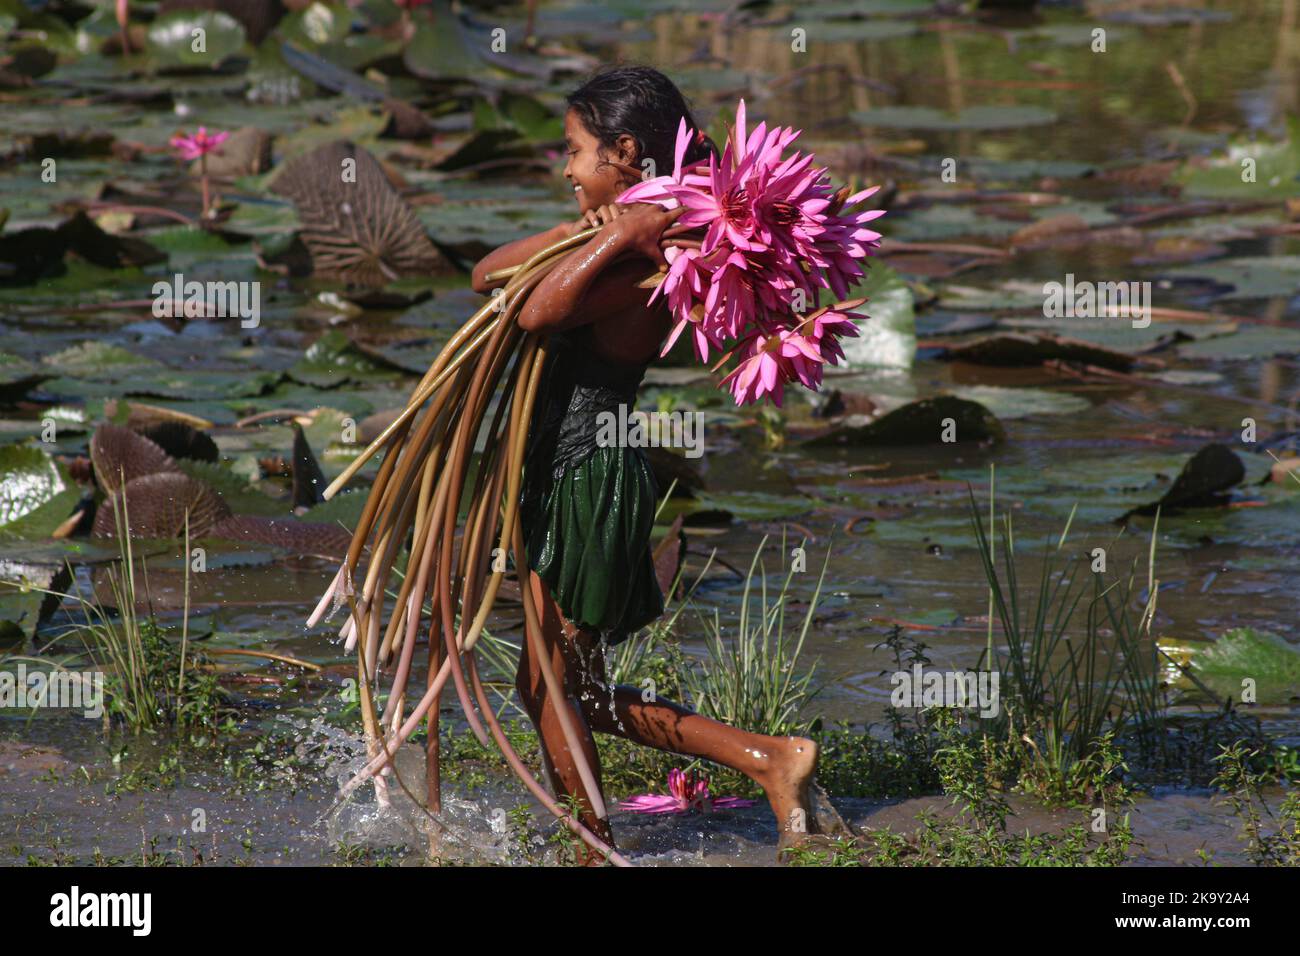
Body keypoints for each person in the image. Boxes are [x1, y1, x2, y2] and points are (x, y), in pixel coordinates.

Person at [471, 65, 820, 865]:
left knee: (553, 685)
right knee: (560, 686)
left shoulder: (658, 252)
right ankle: (768, 759)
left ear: (625, 151)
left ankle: (595, 848)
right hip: (569, 463)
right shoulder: (627, 233)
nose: (565, 169)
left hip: (585, 470)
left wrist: (622, 236)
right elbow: (486, 273)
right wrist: (599, 229)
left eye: (575, 150)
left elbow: (531, 308)